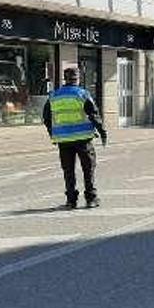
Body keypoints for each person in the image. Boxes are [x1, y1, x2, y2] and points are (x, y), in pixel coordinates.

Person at [43, 68, 107, 209]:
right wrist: (102, 132)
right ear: (77, 79)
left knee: (68, 170)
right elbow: (94, 115)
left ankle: (71, 200)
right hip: (83, 139)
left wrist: (53, 134)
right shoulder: (82, 94)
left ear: (65, 79)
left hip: (63, 140)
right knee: (88, 169)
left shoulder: (54, 96)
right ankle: (91, 199)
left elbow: (46, 118)